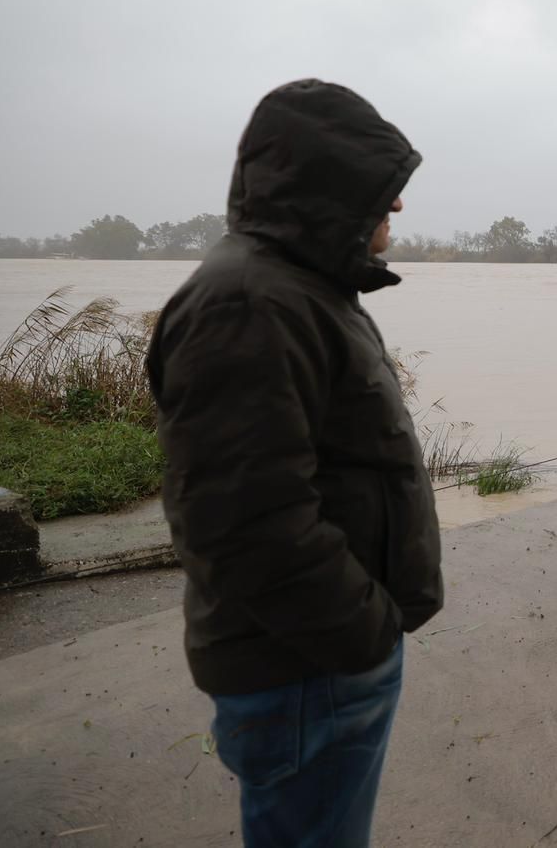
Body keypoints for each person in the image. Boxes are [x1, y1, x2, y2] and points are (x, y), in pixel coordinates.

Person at [146, 79, 443, 847]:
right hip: (308, 669)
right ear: (327, 188)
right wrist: (363, 631)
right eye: (385, 189)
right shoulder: (249, 302)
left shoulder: (298, 290)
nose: (398, 208)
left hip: (319, 661)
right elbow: (245, 524)